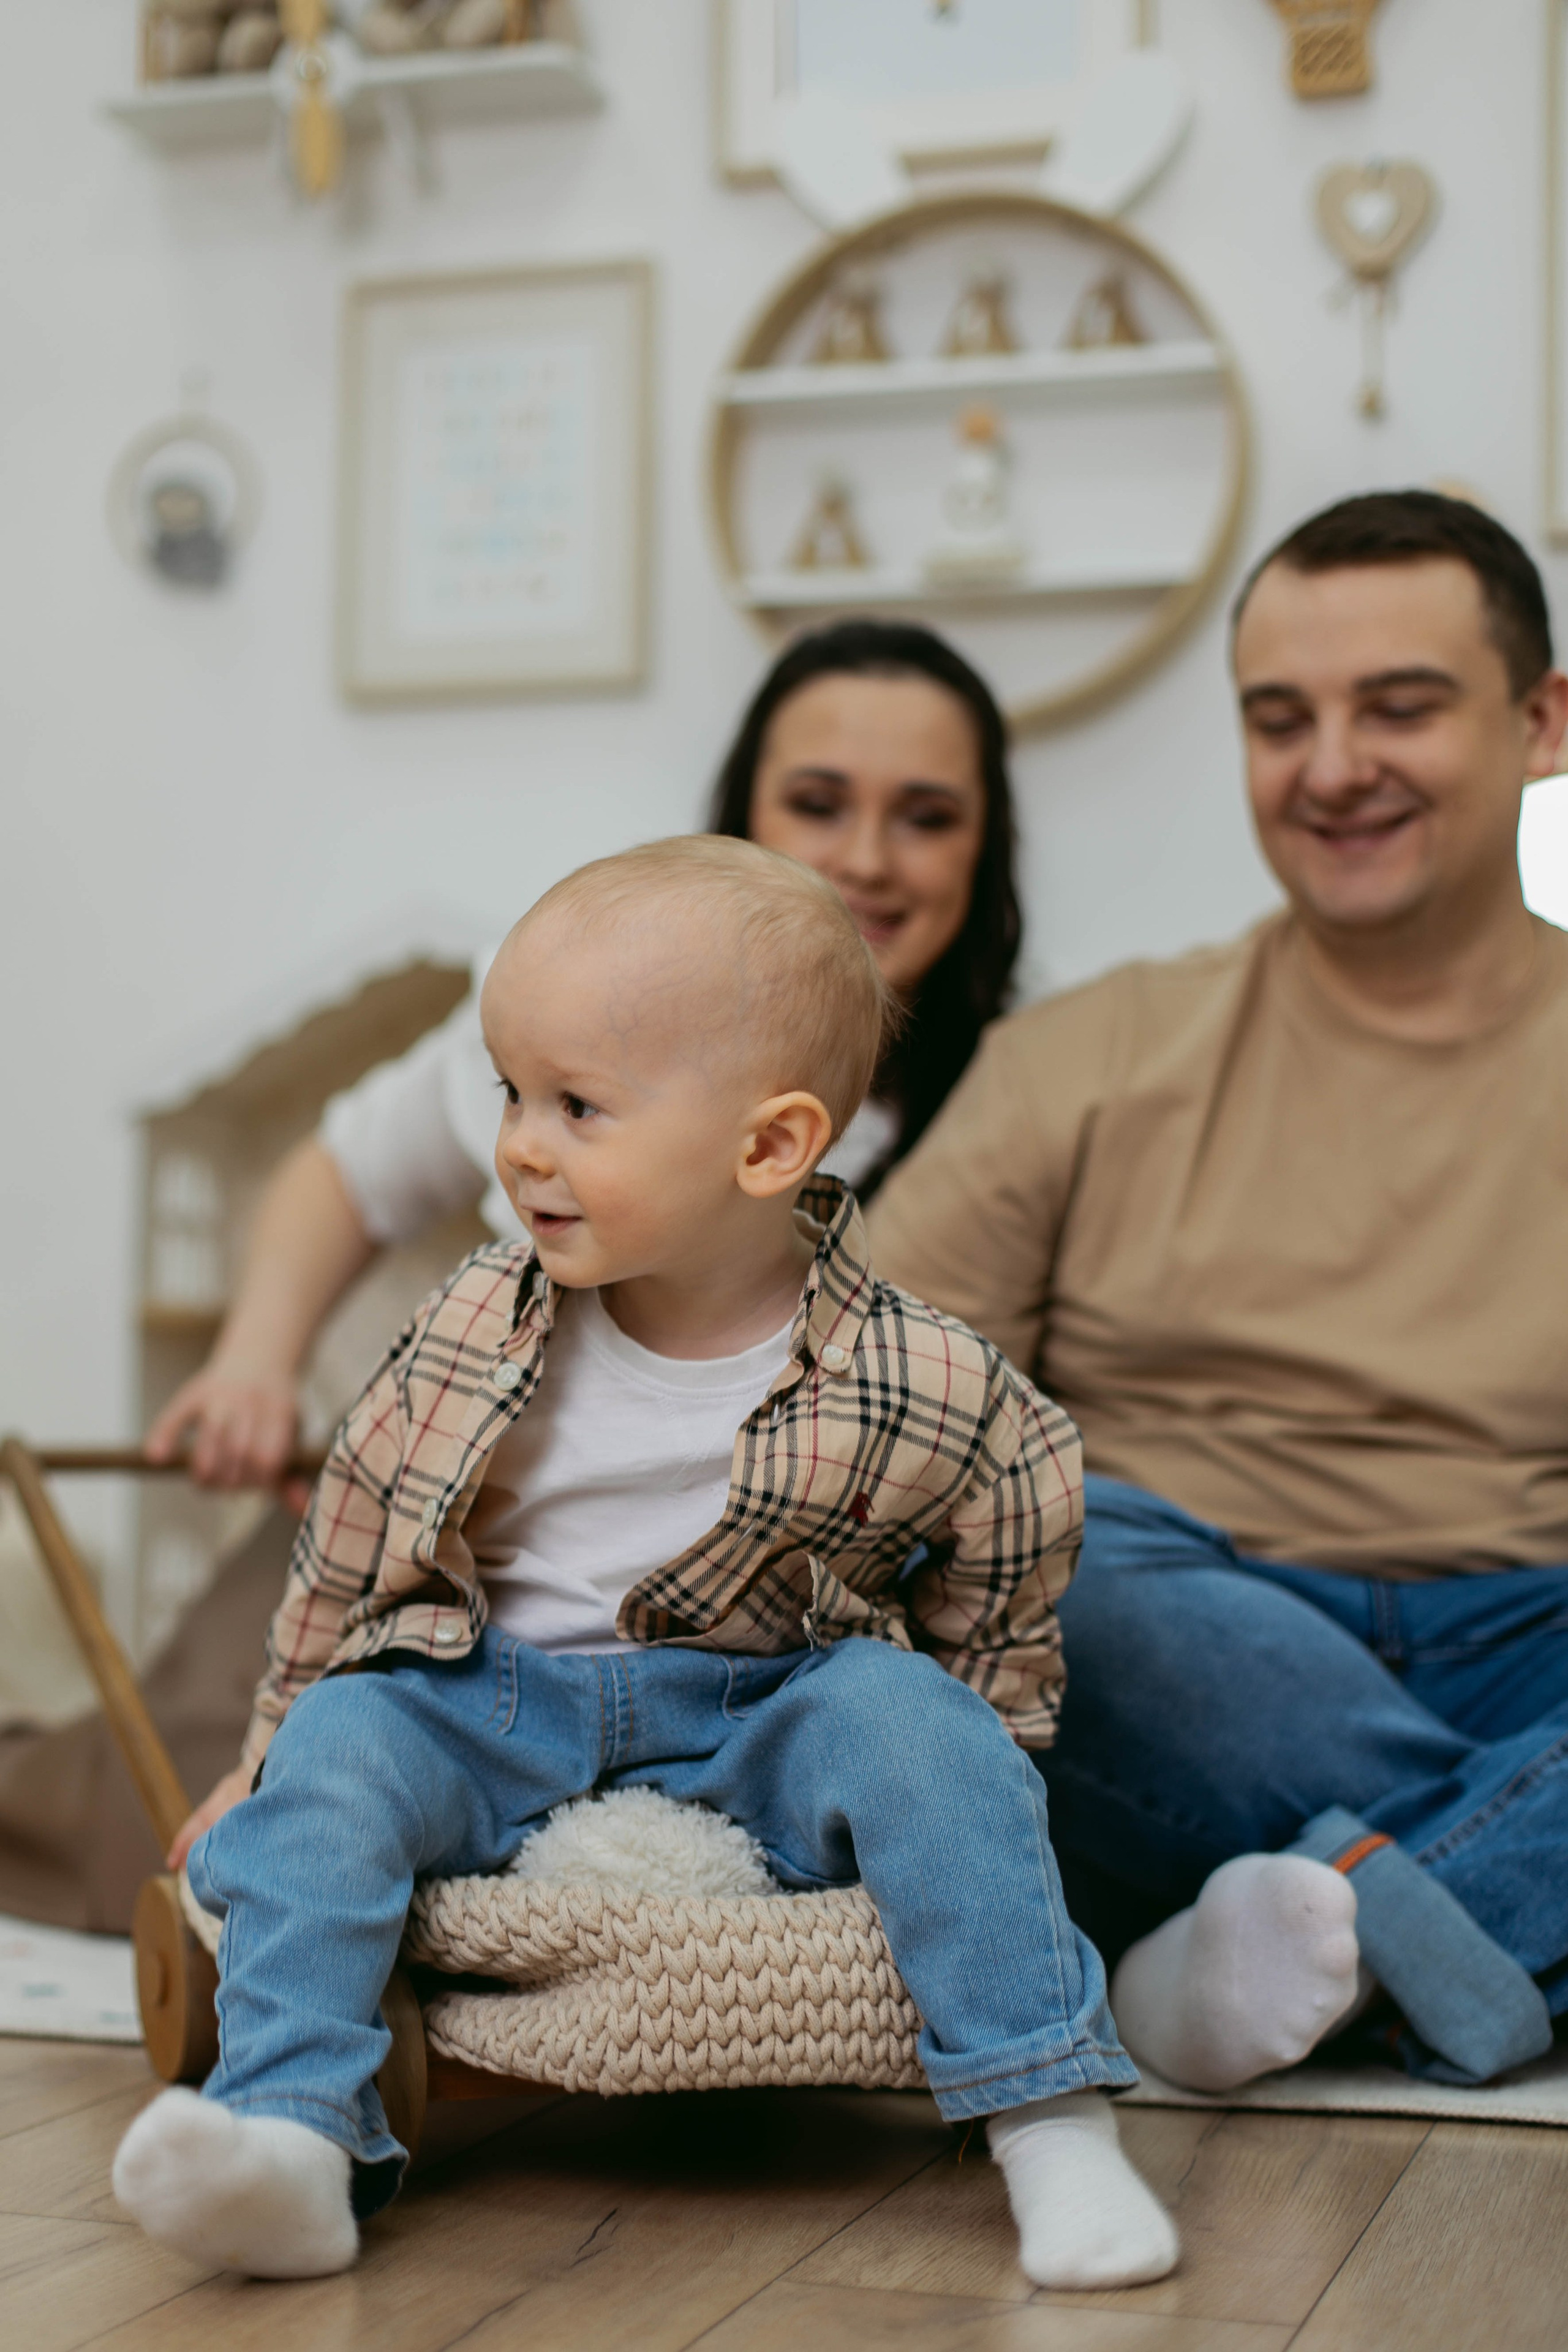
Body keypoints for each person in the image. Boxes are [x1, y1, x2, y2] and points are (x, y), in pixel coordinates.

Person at [113, 839, 1176, 2291]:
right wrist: (269, 1745)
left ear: (768, 1150)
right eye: (509, 1093)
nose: (518, 1147)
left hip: (759, 1703)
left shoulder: (912, 1372)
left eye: (577, 1106)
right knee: (341, 1748)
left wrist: (976, 1722)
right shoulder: (474, 1323)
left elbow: (1024, 1495)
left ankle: (1049, 2122)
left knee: (925, 1733)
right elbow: (352, 1536)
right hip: (491, 1699)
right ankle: (290, 2135)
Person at [868, 490, 1568, 2092]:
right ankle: (1499, 1899)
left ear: (1542, 724)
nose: (1331, 768)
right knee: (1040, 1565)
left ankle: (1295, 1952)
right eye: (1279, 719)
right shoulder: (1084, 1060)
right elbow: (867, 1425)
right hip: (1176, 1623)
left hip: (1536, 1620)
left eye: (1398, 708)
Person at [144, 619, 1021, 1496]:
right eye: (818, 805)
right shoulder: (582, 1021)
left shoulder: (1029, 1090)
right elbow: (350, 1173)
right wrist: (254, 1367)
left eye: (927, 818)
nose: (866, 860)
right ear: (745, 812)